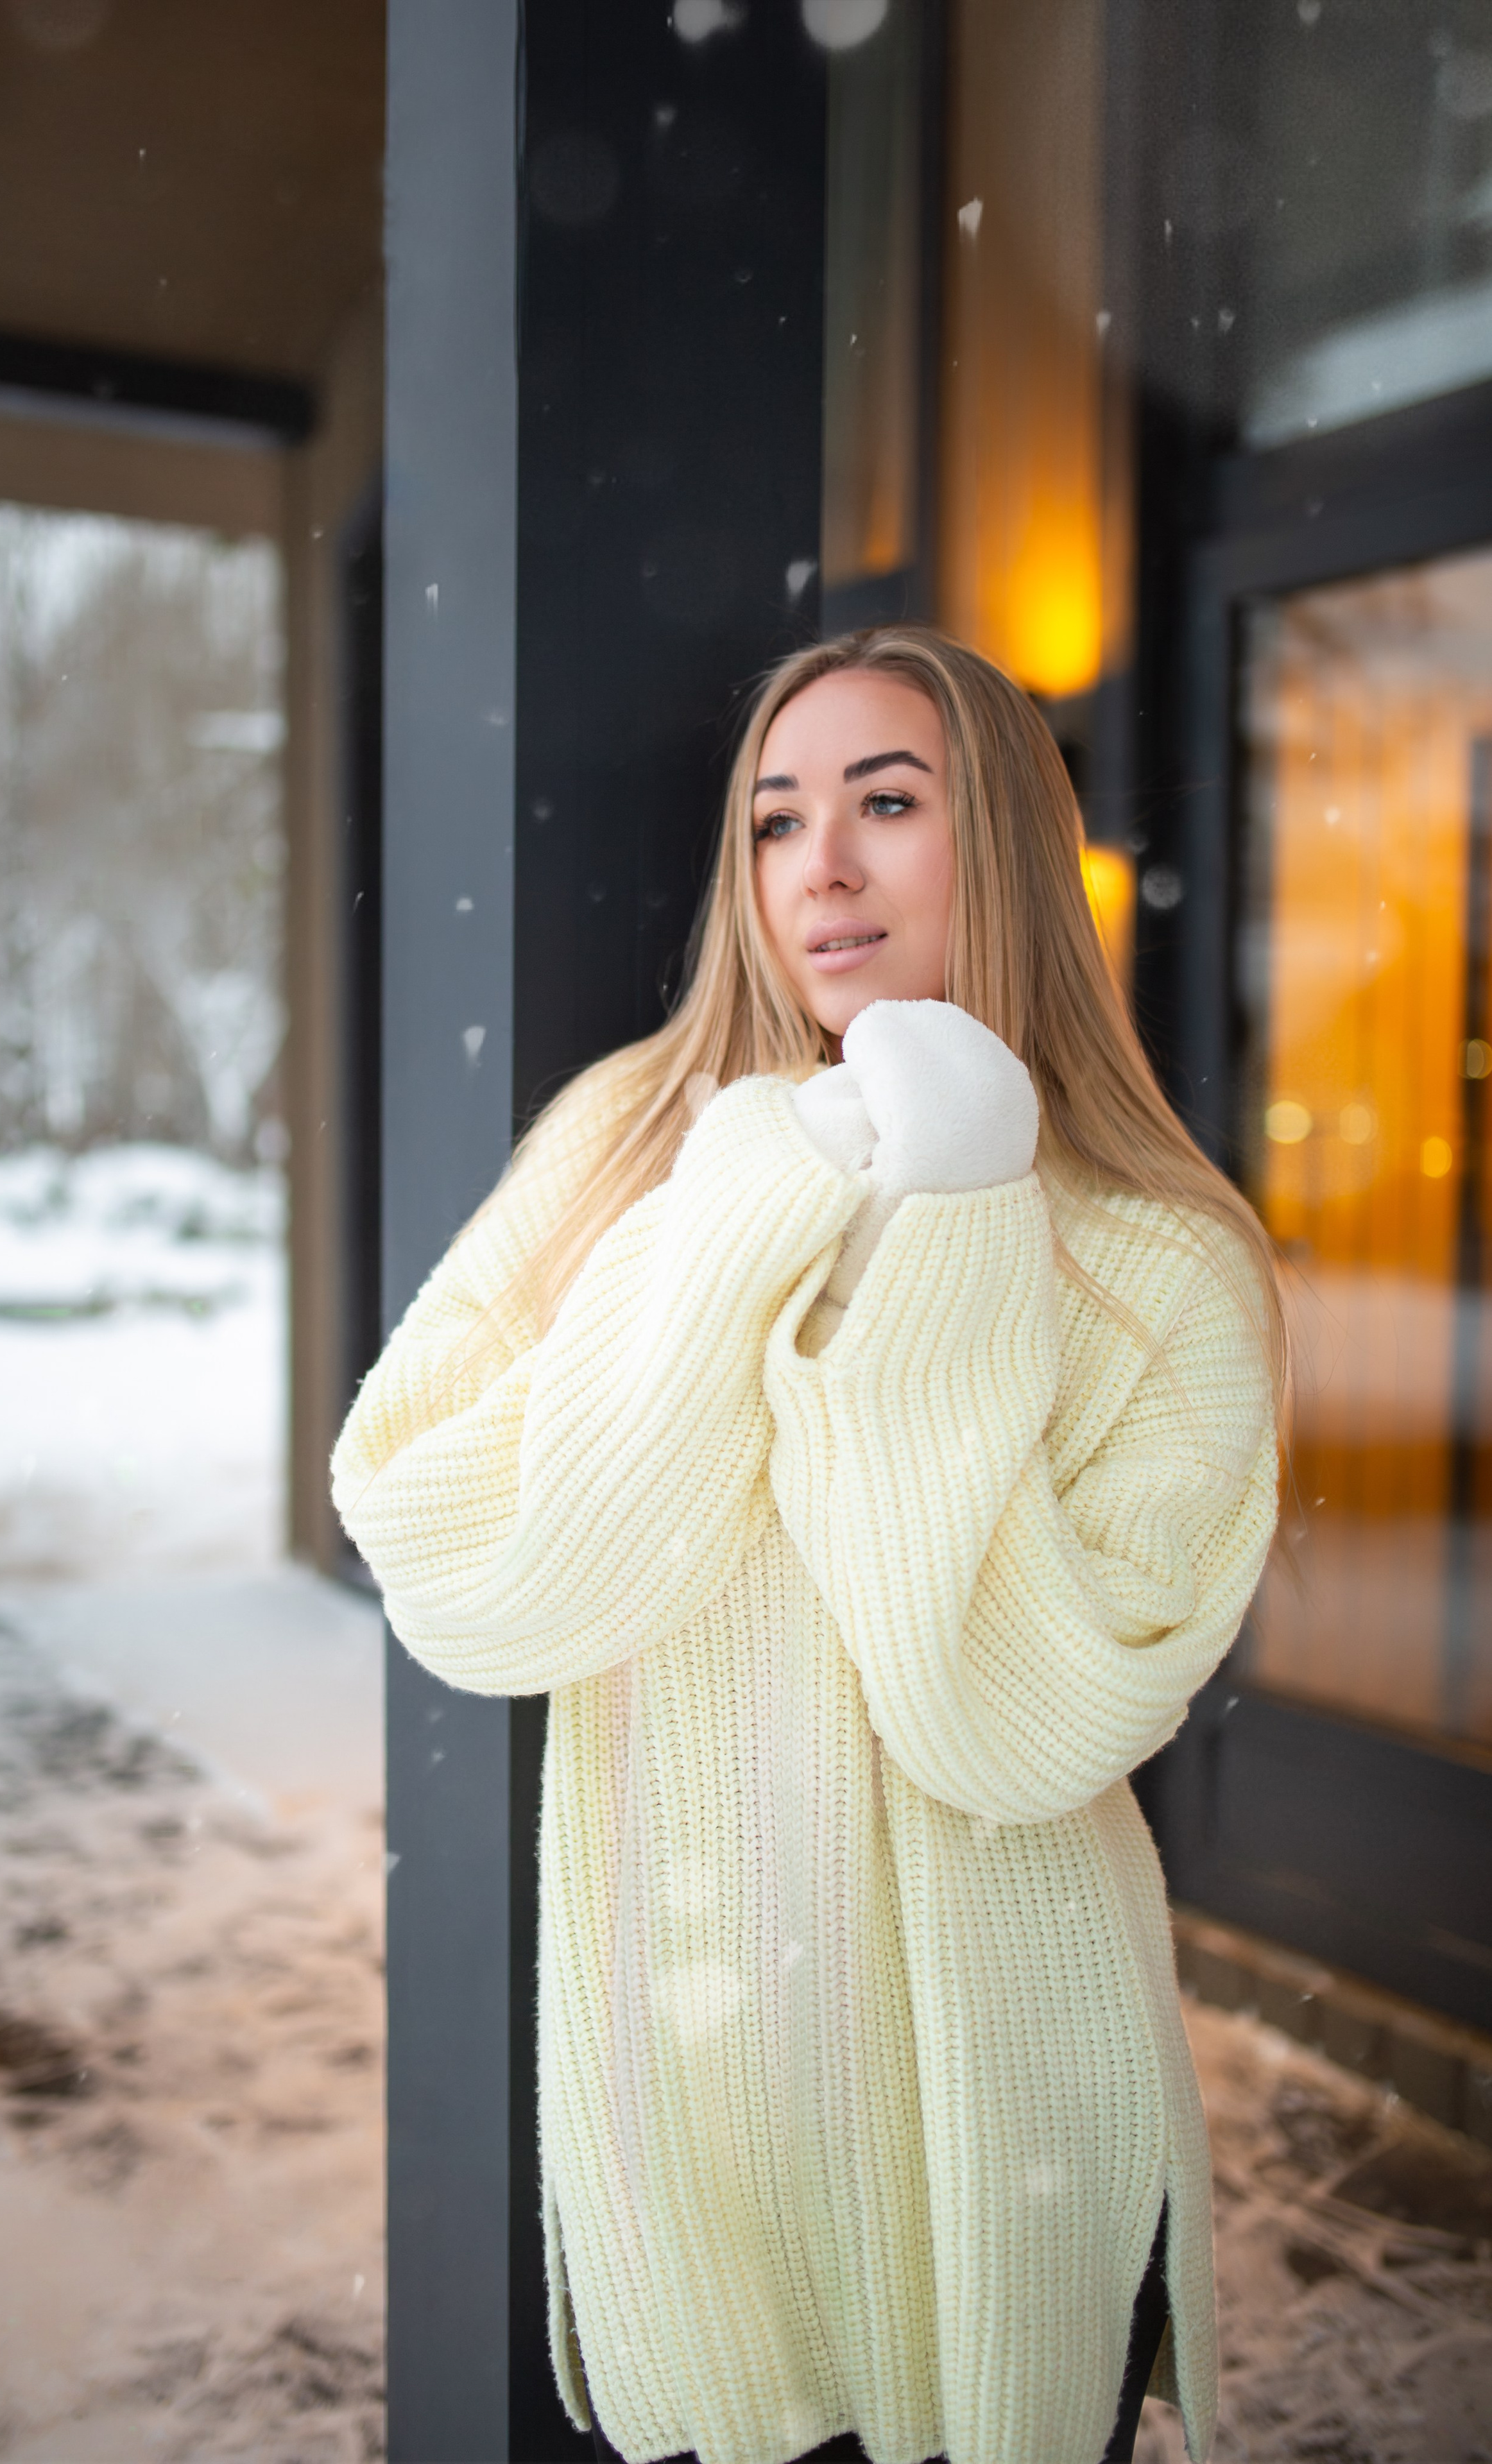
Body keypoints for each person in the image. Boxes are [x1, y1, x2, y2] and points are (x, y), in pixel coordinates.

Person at [333, 627, 1283, 2464]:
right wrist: (760, 1187)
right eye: (776, 821)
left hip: (995, 2117)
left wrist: (951, 1228)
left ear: (1000, 843)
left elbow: (1008, 1724)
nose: (821, 869)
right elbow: (460, 1557)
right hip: (695, 2111)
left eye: (889, 804)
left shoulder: (1168, 1265)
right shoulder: (631, 1141)